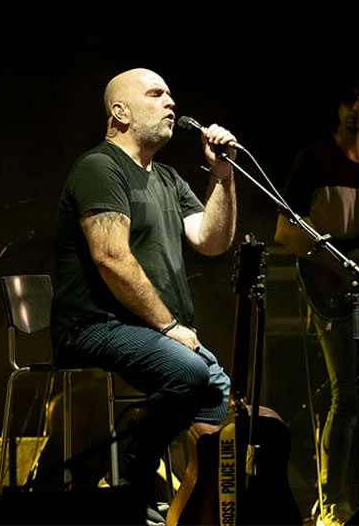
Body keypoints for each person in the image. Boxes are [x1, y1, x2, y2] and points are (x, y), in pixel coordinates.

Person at [50, 68, 237, 523]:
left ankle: (192, 502)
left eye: (170, 94)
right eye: (155, 94)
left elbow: (212, 240)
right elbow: (111, 258)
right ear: (120, 112)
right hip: (95, 325)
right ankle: (132, 482)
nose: (170, 103)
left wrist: (223, 174)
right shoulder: (100, 167)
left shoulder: (168, 178)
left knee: (218, 388)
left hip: (145, 329)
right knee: (190, 372)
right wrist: (169, 325)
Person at [274, 74, 359, 526]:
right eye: (350, 99)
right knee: (348, 397)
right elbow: (285, 231)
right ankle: (333, 500)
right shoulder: (313, 159)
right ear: (337, 106)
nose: (358, 108)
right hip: (332, 285)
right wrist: (339, 266)